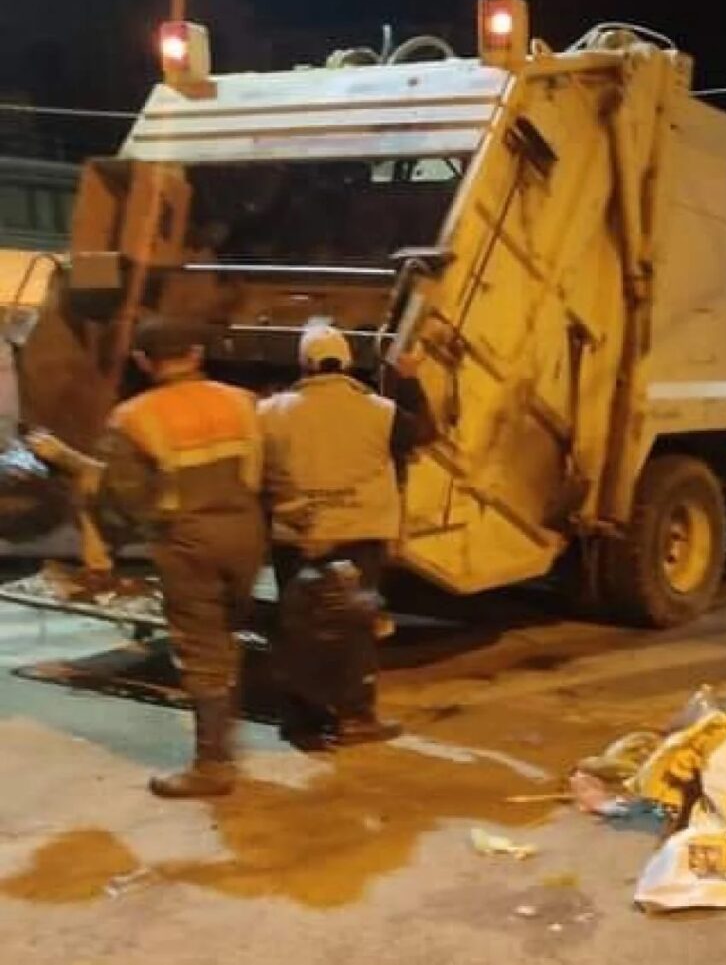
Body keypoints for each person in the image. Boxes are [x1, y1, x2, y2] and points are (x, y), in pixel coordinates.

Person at [28, 317, 265, 799]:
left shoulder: (135, 416)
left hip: (189, 540)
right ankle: (226, 742)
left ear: (142, 360)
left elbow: (125, 497)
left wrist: (109, 534)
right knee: (227, 634)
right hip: (246, 533)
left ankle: (213, 766)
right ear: (196, 353)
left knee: (201, 647)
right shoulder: (243, 402)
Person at [259, 324, 437, 750]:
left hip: (296, 537)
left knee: (299, 628)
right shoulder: (379, 411)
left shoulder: (269, 412)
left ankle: (303, 723)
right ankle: (355, 718)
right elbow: (425, 433)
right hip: (358, 534)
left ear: (303, 363)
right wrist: (409, 381)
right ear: (349, 362)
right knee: (355, 629)